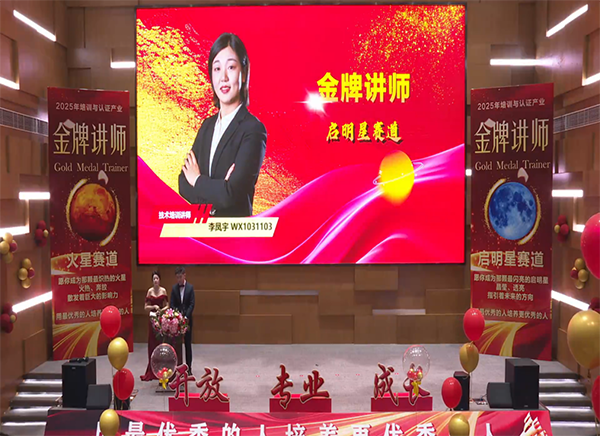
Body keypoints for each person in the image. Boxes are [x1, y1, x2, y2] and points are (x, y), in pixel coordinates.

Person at [178, 32, 267, 217]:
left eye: (231, 67)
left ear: (244, 74)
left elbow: (231, 194)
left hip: (233, 233)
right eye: (217, 68)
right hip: (203, 230)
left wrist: (198, 180)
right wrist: (217, 192)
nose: (223, 77)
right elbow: (183, 183)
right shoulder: (206, 126)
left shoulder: (253, 130)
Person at [140, 271, 169, 382]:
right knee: (152, 344)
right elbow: (145, 307)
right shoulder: (150, 291)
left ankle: (162, 368)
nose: (155, 280)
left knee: (161, 343)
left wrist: (161, 310)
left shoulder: (163, 290)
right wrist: (153, 307)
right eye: (154, 279)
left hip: (161, 319)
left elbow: (167, 305)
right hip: (152, 319)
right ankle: (152, 370)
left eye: (157, 278)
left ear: (159, 280)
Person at [170, 266, 195, 374]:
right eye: (177, 277)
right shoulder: (174, 288)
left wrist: (186, 316)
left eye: (180, 277)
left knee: (188, 344)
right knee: (177, 345)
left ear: (184, 275)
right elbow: (172, 304)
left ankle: (189, 368)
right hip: (176, 321)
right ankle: (177, 367)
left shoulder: (190, 288)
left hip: (187, 321)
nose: (179, 279)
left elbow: (192, 304)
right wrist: (177, 316)